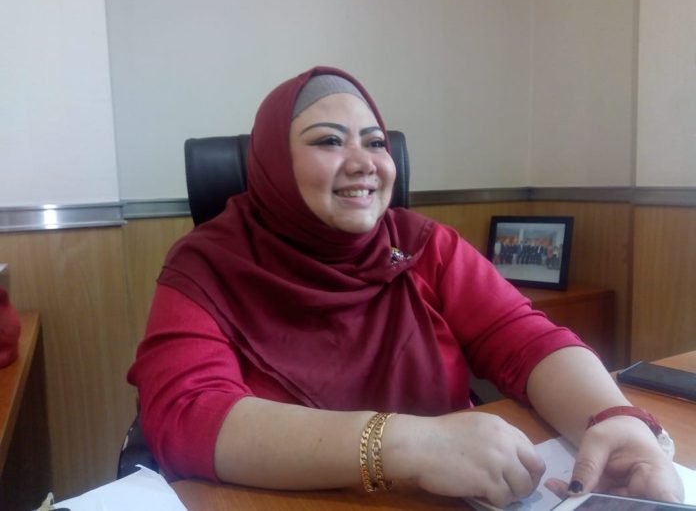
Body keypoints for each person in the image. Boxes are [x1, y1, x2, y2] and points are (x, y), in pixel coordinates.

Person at [127, 66, 683, 507]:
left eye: (374, 143)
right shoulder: (207, 263)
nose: (363, 164)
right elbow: (187, 415)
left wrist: (616, 420)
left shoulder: (423, 245)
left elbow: (527, 339)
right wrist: (407, 444)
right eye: (329, 141)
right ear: (272, 162)